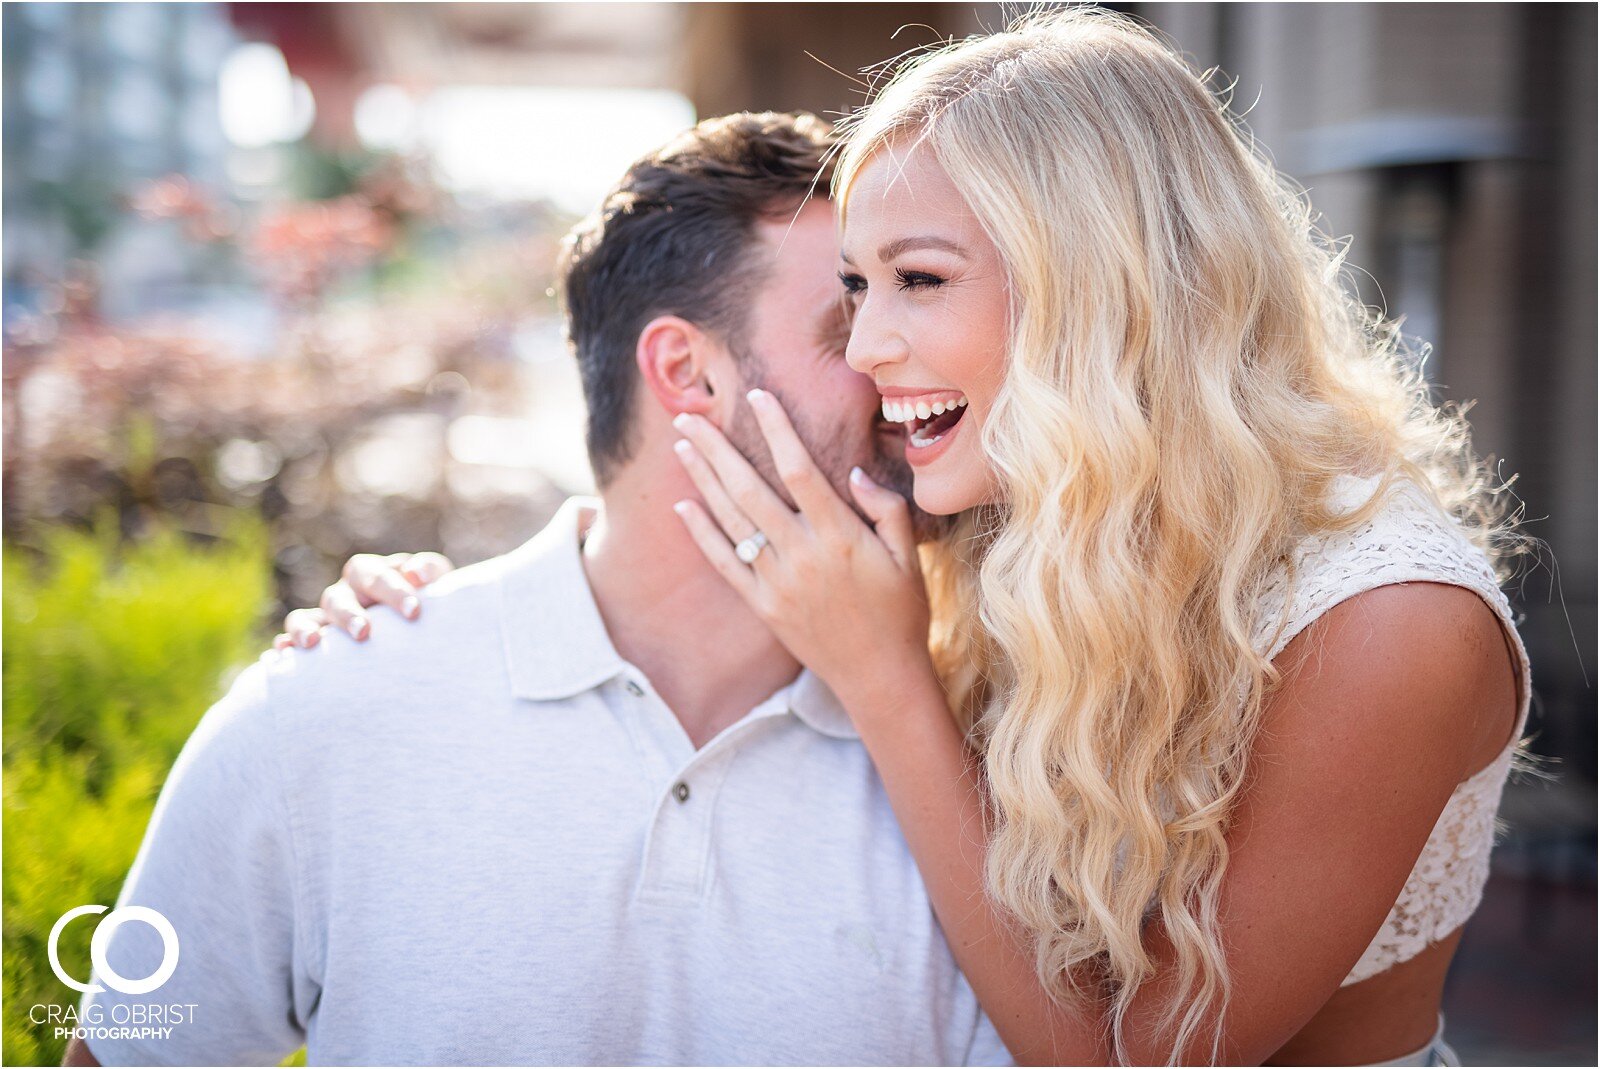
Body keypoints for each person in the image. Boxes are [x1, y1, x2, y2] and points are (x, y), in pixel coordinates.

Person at [297, 10, 1532, 1067]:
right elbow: (666, 544)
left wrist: (887, 678)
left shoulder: (1390, 620)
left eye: (920, 281)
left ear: (1101, 292)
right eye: (852, 287)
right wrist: (413, 618)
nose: (869, 344)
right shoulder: (1011, 514)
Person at [65, 112, 1011, 1067]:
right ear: (686, 370)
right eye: (847, 319)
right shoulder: (329, 710)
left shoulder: (976, 774)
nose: (899, 358)